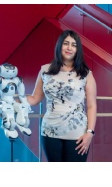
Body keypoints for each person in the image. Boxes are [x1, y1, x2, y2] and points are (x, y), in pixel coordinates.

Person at [27, 29, 97, 162]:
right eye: (66, 43)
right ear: (60, 46)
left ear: (78, 49)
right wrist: (13, 98)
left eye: (74, 45)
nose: (69, 48)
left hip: (78, 134)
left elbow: (92, 105)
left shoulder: (86, 74)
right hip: (50, 131)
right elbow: (35, 98)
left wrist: (90, 132)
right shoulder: (45, 70)